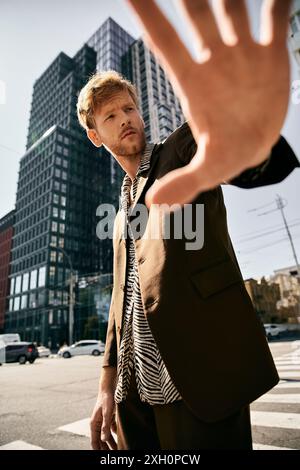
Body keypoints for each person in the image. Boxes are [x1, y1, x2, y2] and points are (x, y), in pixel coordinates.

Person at [76, 0, 299, 450]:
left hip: (199, 384)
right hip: (135, 397)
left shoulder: (179, 154)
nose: (126, 120)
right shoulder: (119, 217)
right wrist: (107, 384)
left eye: (129, 109)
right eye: (111, 116)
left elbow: (222, 148)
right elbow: (121, 304)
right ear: (95, 135)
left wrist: (249, 136)